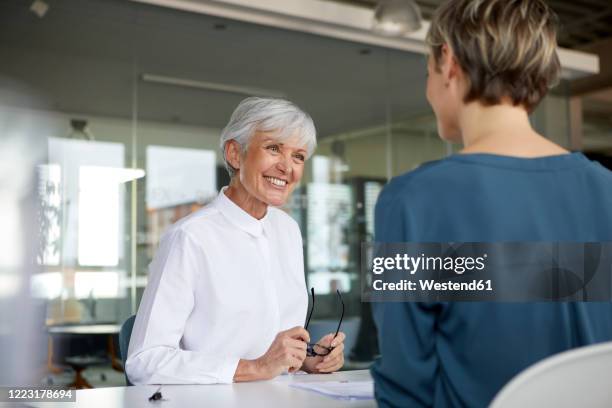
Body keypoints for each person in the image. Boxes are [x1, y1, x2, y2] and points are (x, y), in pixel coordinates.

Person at [371, 0, 612, 407]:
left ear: (447, 61)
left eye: (426, 69)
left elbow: (403, 387)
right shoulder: (605, 189)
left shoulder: (411, 200)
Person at [126, 97, 345, 384]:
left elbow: (271, 345)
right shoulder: (189, 237)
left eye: (298, 156)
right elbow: (145, 361)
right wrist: (256, 368)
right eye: (273, 148)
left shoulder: (288, 231)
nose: (287, 167)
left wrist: (306, 359)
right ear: (235, 154)